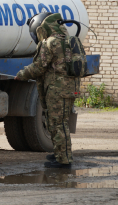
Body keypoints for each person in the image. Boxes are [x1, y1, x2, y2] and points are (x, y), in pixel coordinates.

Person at [14, 12, 80, 169]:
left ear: (41, 28)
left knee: (58, 123)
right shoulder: (67, 41)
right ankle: (60, 154)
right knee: (59, 122)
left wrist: (21, 75)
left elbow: (39, 67)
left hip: (57, 89)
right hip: (69, 88)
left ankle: (63, 160)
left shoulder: (50, 43)